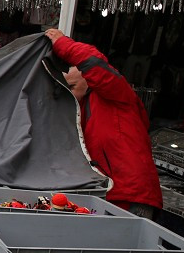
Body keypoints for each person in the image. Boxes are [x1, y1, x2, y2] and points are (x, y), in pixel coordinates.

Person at [44, 28, 162, 216]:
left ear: (88, 79)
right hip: (107, 194)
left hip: (130, 195)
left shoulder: (116, 93)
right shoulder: (76, 109)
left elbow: (94, 64)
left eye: (72, 86)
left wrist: (63, 44)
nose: (70, 92)